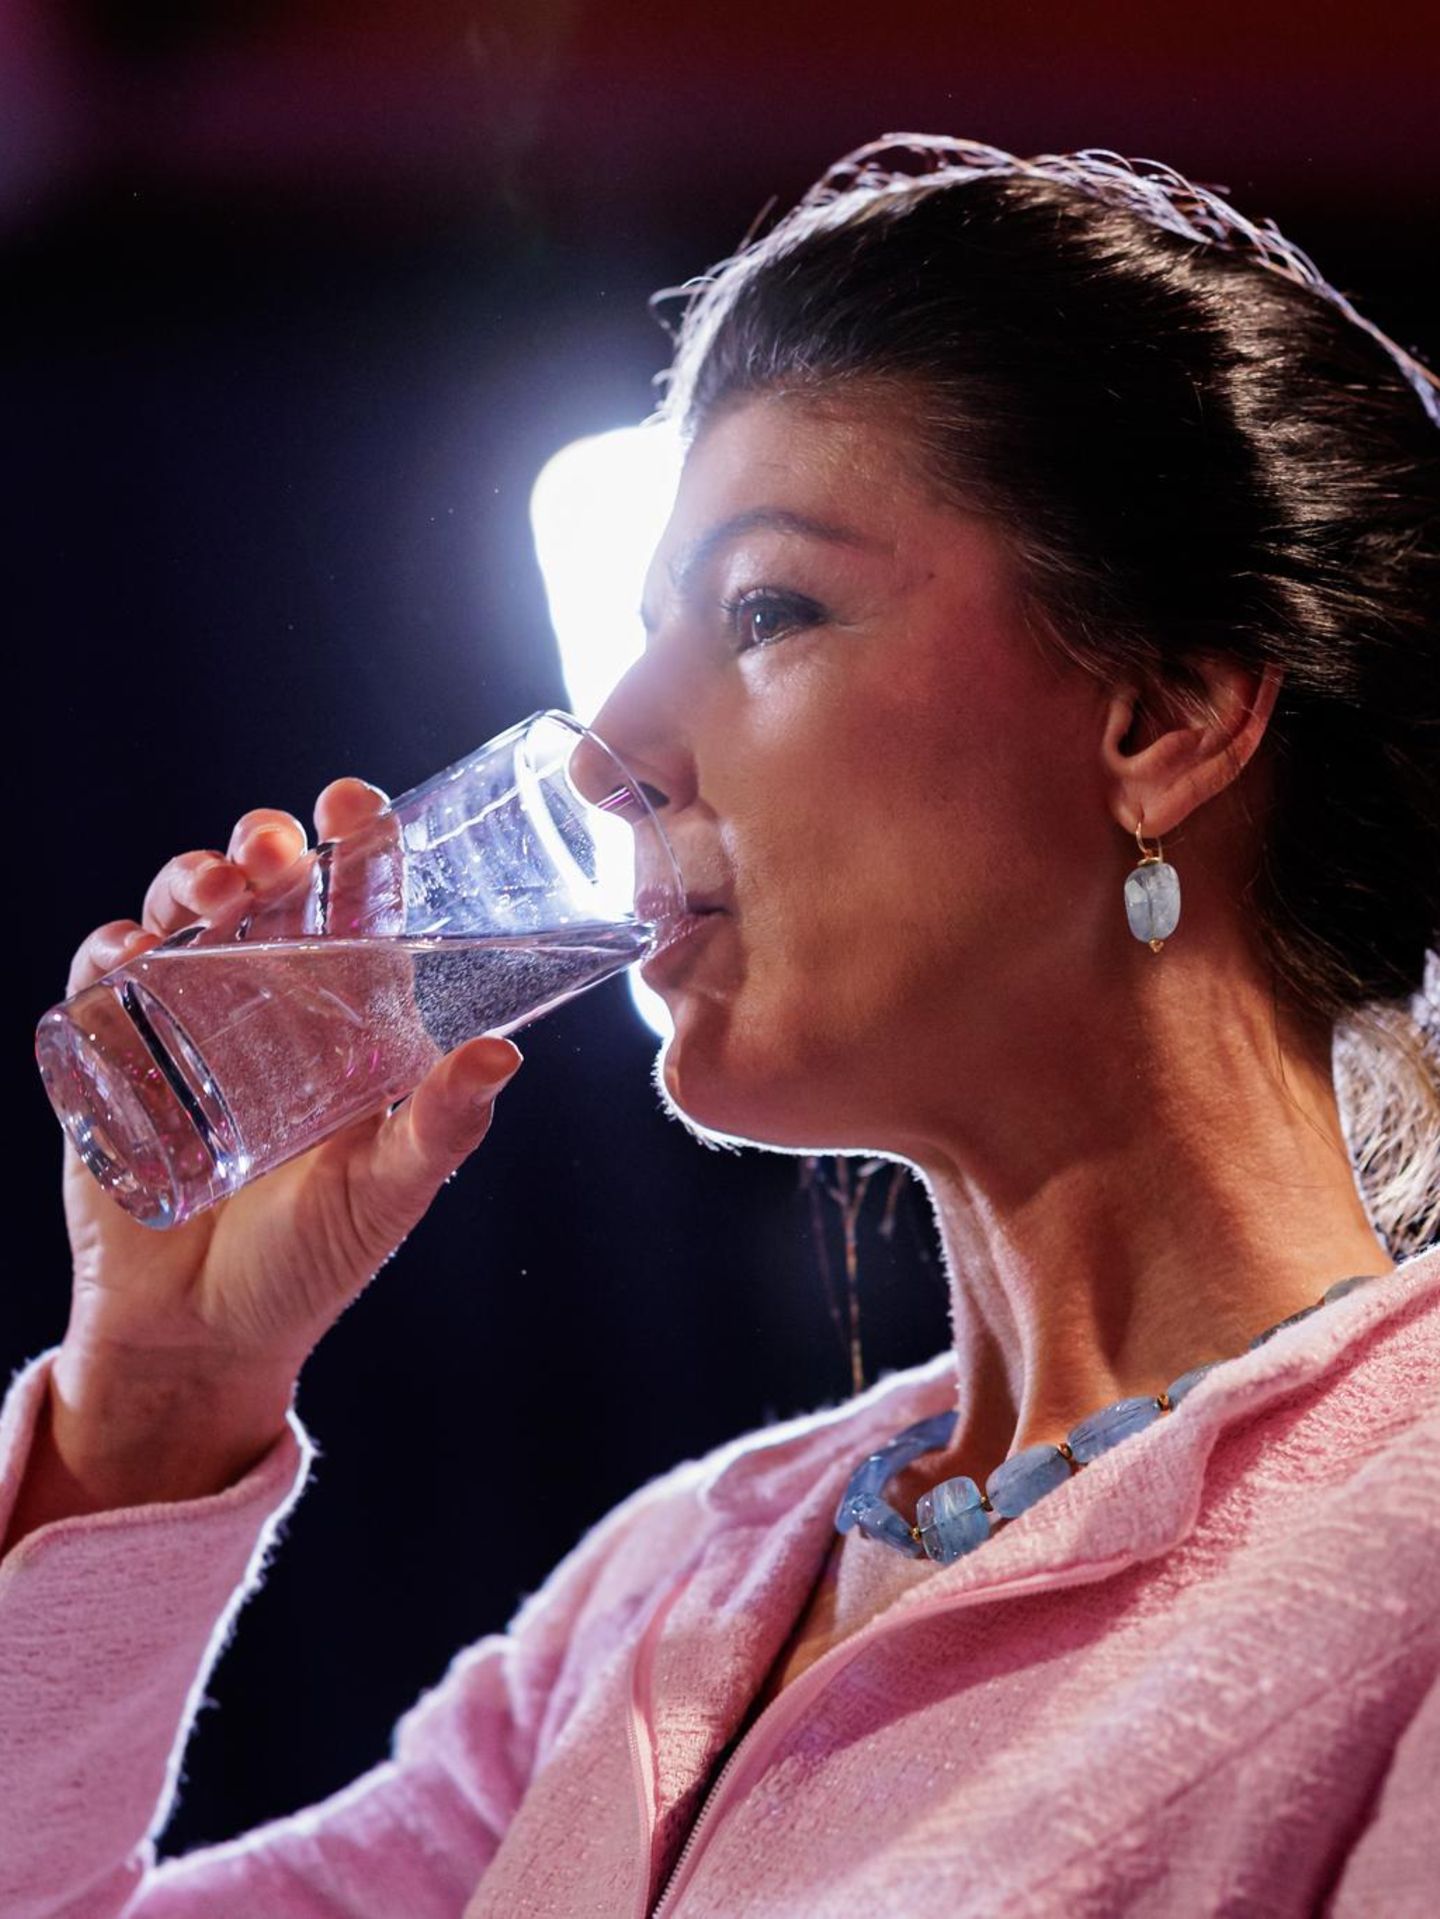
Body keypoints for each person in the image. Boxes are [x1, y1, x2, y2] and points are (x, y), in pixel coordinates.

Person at [3, 135, 1438, 1917]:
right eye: (645, 632)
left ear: (1164, 719)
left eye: (766, 609)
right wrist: (155, 1407)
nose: (611, 742)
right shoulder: (667, 1596)